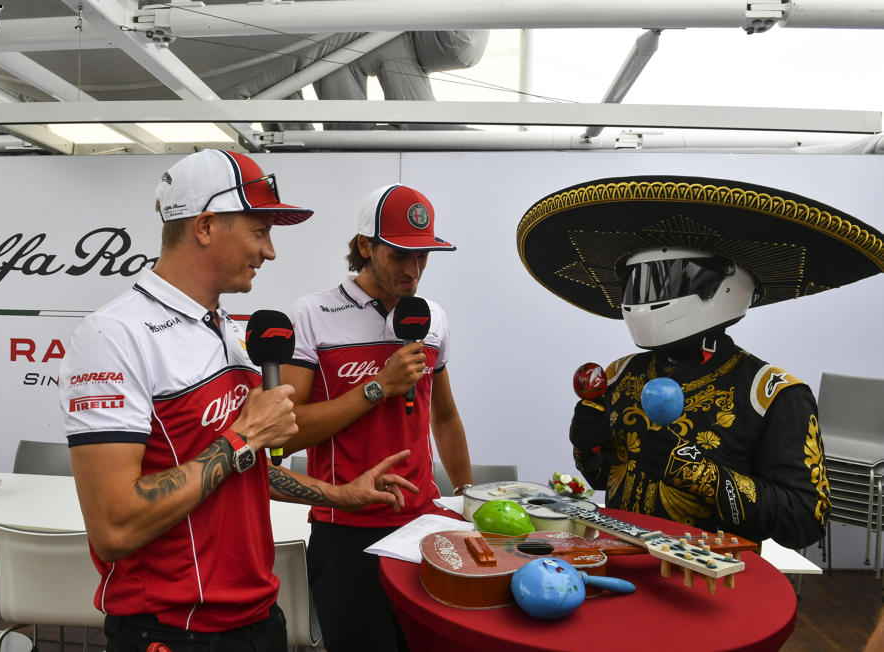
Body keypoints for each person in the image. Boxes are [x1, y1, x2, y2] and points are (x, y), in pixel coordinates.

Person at [59, 149, 418, 652]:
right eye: (259, 231)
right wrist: (245, 434)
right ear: (206, 226)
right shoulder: (114, 333)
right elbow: (114, 525)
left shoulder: (224, 328)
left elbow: (237, 468)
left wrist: (339, 494)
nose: (269, 252)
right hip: (173, 630)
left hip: (255, 616)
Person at [517, 175, 884, 550]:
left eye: (662, 281)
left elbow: (807, 519)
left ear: (721, 286)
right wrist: (588, 445)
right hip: (624, 563)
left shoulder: (772, 393)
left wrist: (703, 476)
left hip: (716, 582)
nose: (644, 299)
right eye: (637, 282)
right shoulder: (621, 374)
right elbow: (603, 478)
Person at [280, 184, 473, 652]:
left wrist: (468, 499)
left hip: (423, 522)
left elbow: (444, 417)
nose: (413, 270)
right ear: (365, 246)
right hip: (344, 526)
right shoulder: (313, 314)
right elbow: (287, 431)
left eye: (423, 257)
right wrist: (378, 387)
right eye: (400, 255)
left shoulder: (433, 318)